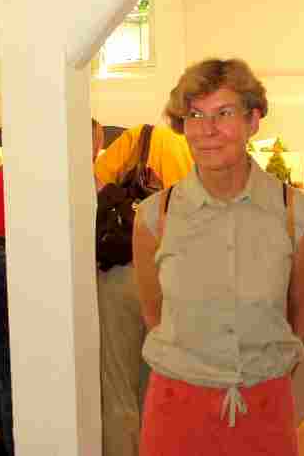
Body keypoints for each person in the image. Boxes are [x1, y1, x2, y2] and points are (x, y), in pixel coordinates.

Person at [133, 58, 304, 455]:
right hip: (175, 408)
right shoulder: (155, 216)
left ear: (253, 121)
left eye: (224, 113)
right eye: (195, 115)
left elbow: (302, 313)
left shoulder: (293, 212)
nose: (207, 130)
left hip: (264, 406)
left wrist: (264, 369)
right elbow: (154, 314)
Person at [0, 118, 105, 456]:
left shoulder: (28, 162)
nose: (96, 152)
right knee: (12, 371)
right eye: (95, 144)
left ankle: (7, 445)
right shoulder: (70, 171)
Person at [94, 123, 194, 456]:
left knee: (118, 386)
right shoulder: (204, 150)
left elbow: (94, 184)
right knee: (155, 386)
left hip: (123, 271)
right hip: (171, 277)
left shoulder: (141, 135)